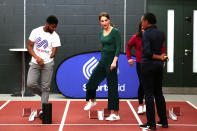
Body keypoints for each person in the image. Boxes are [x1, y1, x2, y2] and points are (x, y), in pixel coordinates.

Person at [83, 12, 121, 121]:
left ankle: (116, 114)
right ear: (100, 22)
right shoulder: (101, 32)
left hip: (112, 62)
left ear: (109, 20)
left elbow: (118, 48)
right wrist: (103, 60)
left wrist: (114, 62)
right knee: (90, 82)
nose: (104, 22)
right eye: (102, 21)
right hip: (102, 61)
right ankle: (93, 101)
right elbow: (104, 47)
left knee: (112, 88)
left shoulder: (115, 32)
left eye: (106, 20)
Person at [126, 23, 166, 115]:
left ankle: (150, 106)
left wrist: (163, 59)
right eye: (142, 28)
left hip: (153, 63)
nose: (144, 30)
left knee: (153, 86)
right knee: (143, 83)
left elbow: (163, 49)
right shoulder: (136, 37)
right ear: (140, 29)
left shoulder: (154, 37)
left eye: (145, 28)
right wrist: (129, 58)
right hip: (141, 64)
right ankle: (140, 105)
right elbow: (128, 46)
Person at [27, 15, 61, 119]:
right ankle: (44, 95)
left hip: (48, 64)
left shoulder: (55, 35)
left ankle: (43, 110)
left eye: (55, 27)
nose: (54, 29)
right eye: (52, 27)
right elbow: (29, 46)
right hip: (35, 62)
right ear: (47, 24)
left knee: (46, 87)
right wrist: (38, 58)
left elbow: (54, 51)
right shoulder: (36, 31)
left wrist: (50, 56)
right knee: (30, 84)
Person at [139, 12, 168, 130]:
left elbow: (147, 53)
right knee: (159, 93)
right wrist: (161, 58)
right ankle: (164, 121)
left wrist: (158, 57)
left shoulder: (146, 34)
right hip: (158, 66)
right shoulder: (161, 33)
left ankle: (151, 124)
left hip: (148, 66)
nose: (141, 23)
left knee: (149, 95)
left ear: (147, 21)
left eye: (142, 21)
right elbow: (161, 51)